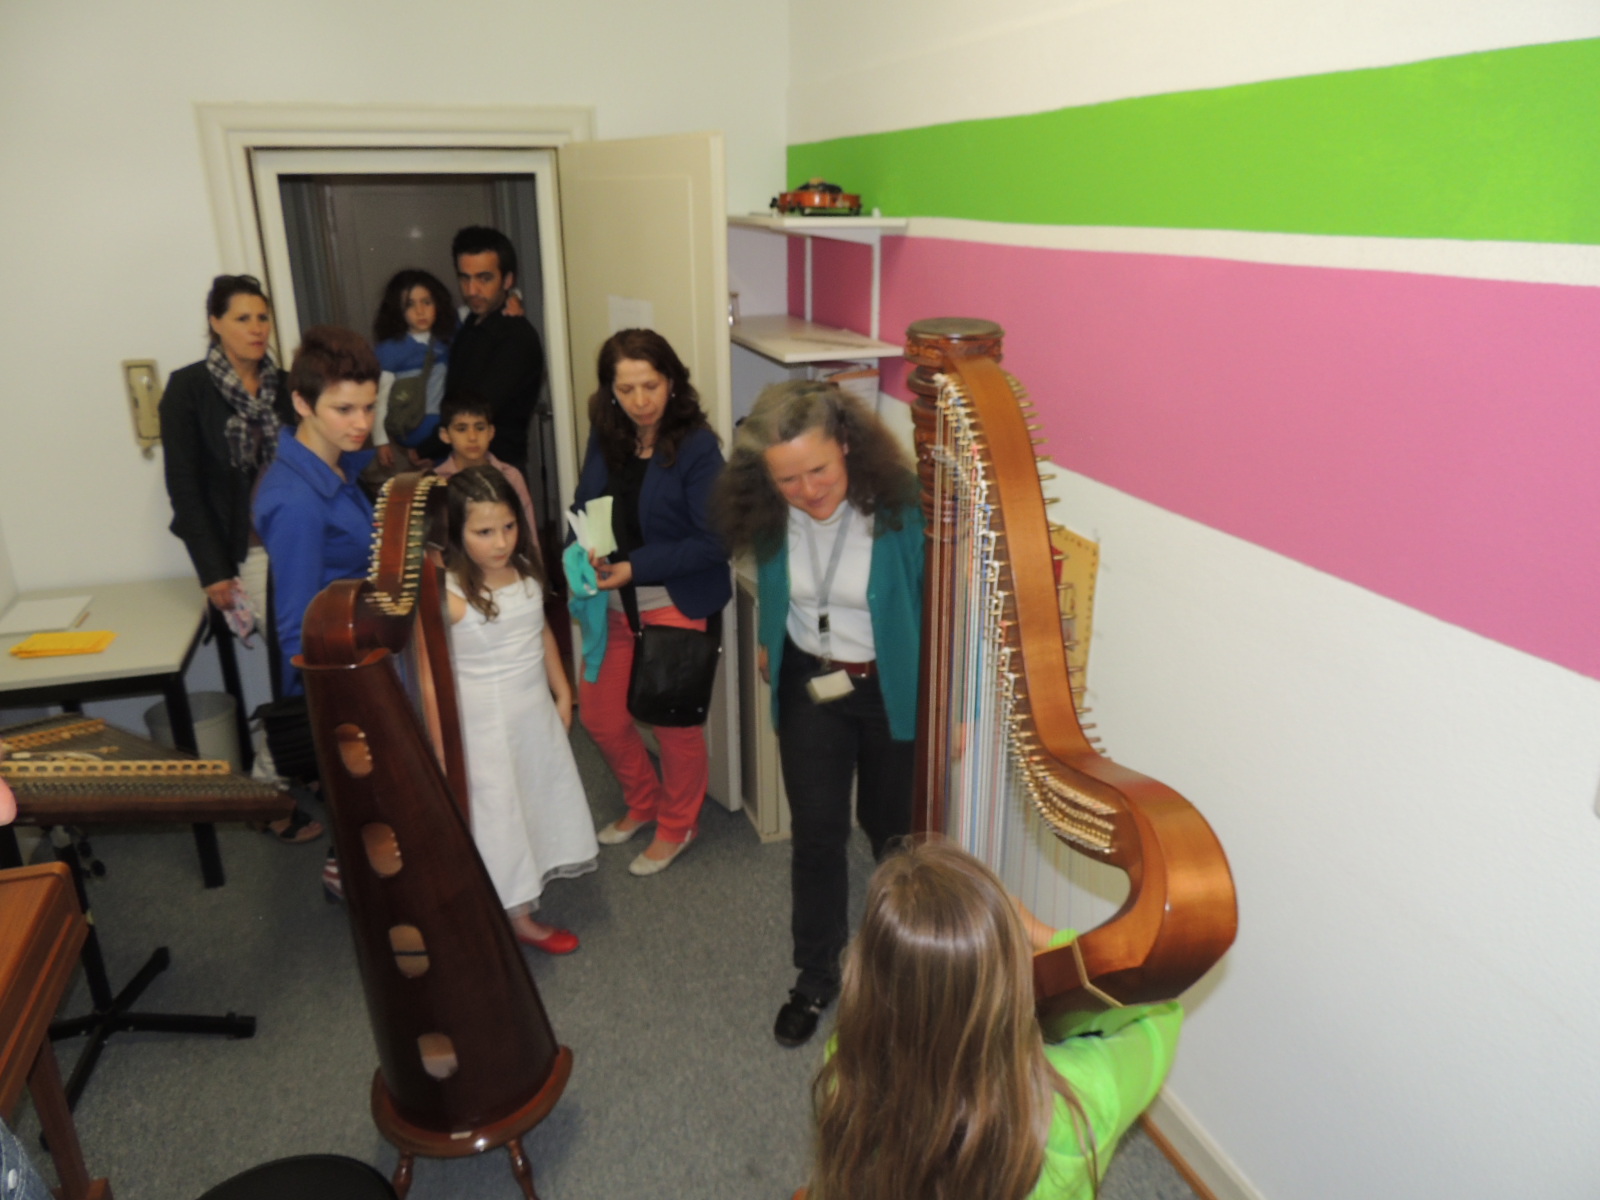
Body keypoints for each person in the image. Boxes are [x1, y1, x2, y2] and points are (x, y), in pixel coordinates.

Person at [711, 379, 923, 1045]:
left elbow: (942, 605)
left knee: (894, 835)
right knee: (817, 833)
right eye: (788, 479)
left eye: (819, 470)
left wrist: (959, 710)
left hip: (889, 687)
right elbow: (778, 581)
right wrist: (772, 636)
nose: (807, 491)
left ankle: (902, 965)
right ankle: (816, 974)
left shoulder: (904, 508)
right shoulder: (771, 509)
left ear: (848, 446)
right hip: (811, 683)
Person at [808, 840, 1183, 1200]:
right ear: (1011, 973)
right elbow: (1159, 1010)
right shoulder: (1083, 1099)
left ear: (866, 976)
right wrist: (1049, 938)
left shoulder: (846, 1067)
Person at [159, 274, 320, 844]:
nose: (256, 329)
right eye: (243, 318)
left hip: (296, 542)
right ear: (216, 323)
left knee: (308, 666)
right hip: (244, 552)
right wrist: (213, 571)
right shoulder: (188, 389)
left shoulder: (287, 386)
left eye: (262, 318)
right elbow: (184, 487)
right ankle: (264, 794)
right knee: (293, 668)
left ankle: (297, 766)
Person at [570, 329, 730, 876]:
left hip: (673, 599)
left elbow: (716, 541)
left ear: (672, 381)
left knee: (672, 724)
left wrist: (636, 567)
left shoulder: (697, 446)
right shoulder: (606, 433)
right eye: (626, 389)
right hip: (612, 604)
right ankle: (644, 802)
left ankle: (679, 823)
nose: (640, 401)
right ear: (610, 391)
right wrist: (579, 549)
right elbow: (583, 504)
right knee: (600, 716)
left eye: (651, 386)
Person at [442, 465, 597, 954]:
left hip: (533, 712)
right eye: (484, 532)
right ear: (457, 532)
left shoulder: (524, 569)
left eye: (508, 526)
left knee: (536, 796)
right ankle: (516, 915)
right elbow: (427, 667)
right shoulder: (449, 594)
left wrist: (563, 691)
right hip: (487, 725)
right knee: (500, 813)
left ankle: (520, 888)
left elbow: (540, 629)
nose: (501, 542)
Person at [254, 327, 379, 696]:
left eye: (369, 407)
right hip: (340, 683)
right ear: (302, 404)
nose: (362, 423)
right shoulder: (295, 499)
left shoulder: (340, 468)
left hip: (364, 660)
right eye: (344, 409)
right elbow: (298, 632)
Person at [446, 226, 546, 476]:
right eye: (465, 278)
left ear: (508, 280)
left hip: (497, 471)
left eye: (484, 278)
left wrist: (426, 449)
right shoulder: (472, 322)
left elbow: (476, 410)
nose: (472, 290)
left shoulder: (516, 338)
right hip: (463, 463)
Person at [371, 268, 457, 469]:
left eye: (427, 302)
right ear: (398, 310)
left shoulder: (448, 337)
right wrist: (381, 441)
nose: (420, 311)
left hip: (446, 434)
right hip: (414, 431)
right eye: (410, 304)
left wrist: (513, 297)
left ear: (438, 303)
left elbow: (473, 311)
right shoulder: (390, 350)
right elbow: (380, 400)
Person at [431, 392, 538, 535]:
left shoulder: (510, 476)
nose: (472, 437)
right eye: (461, 429)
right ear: (445, 435)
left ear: (491, 432)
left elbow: (528, 531)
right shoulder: (436, 481)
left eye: (480, 428)